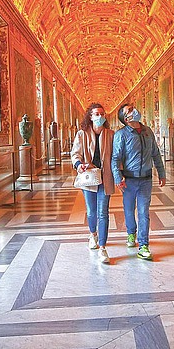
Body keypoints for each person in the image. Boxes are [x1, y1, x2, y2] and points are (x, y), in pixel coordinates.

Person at [112, 102, 166, 260]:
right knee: (129, 210)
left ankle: (143, 245)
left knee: (143, 212)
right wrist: (117, 177)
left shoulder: (147, 131)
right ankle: (131, 233)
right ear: (126, 118)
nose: (134, 110)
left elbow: (156, 153)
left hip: (146, 180)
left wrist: (161, 173)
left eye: (132, 108)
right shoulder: (121, 135)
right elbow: (115, 158)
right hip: (129, 180)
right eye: (129, 110)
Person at [71, 102, 115, 264]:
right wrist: (78, 165)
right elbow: (75, 153)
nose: (100, 116)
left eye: (102, 114)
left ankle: (102, 248)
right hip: (89, 177)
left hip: (106, 177)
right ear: (90, 116)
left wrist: (119, 175)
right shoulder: (82, 134)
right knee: (91, 211)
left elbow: (116, 156)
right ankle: (92, 235)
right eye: (96, 114)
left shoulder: (111, 134)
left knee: (103, 212)